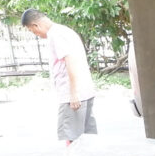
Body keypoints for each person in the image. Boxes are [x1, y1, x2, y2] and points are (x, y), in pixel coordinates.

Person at [22, 9, 98, 146]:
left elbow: (70, 62)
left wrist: (73, 94)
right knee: (84, 136)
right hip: (84, 91)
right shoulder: (64, 31)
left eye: (33, 31)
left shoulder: (56, 35)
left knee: (71, 135)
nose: (36, 35)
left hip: (73, 94)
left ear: (35, 25)